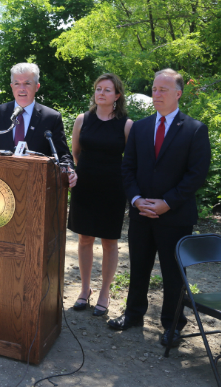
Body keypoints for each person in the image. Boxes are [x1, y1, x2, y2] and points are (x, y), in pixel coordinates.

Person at [108, 69, 211, 349]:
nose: (157, 94)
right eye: (154, 89)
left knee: (173, 274)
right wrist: (136, 199)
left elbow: (196, 174)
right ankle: (133, 315)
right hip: (141, 213)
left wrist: (168, 202)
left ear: (178, 93)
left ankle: (173, 326)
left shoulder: (194, 129)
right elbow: (127, 168)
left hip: (175, 217)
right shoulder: (139, 128)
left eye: (163, 89)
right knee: (138, 268)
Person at [67, 73, 133, 316]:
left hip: (113, 189)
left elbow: (130, 161)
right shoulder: (82, 119)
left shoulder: (127, 124)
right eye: (98, 89)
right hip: (85, 187)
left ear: (117, 96)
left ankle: (105, 292)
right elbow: (76, 154)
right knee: (84, 239)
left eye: (107, 90)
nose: (101, 93)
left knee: (109, 241)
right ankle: (85, 290)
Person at [0, 62, 77, 187]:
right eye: (17, 83)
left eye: (27, 83)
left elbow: (62, 154)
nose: (22, 88)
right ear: (11, 86)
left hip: (36, 186)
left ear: (37, 87)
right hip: (1, 184)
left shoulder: (51, 117)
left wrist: (69, 169)